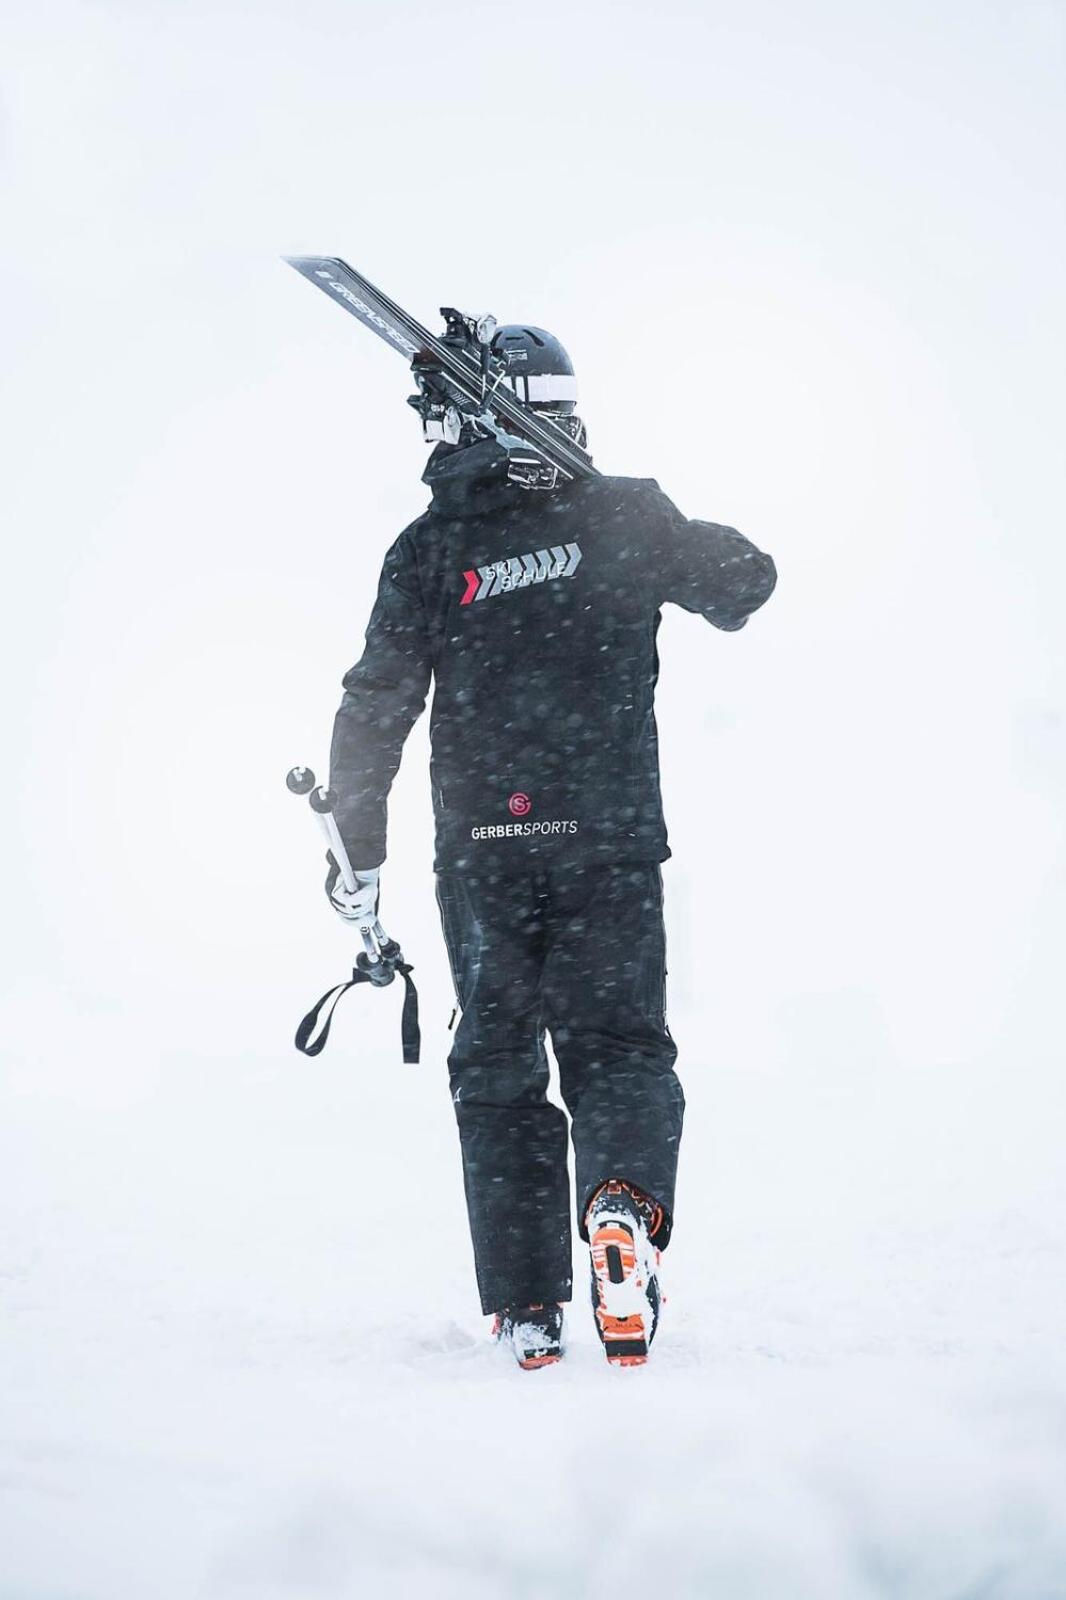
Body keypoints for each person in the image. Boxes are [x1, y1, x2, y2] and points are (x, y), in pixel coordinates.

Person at [325, 324, 776, 1369]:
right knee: (616, 1046)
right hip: (607, 840)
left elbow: (375, 703)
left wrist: (358, 846)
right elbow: (745, 583)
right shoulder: (622, 516)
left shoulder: (429, 550)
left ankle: (527, 1309)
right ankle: (621, 1209)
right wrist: (646, 526)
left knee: (496, 1065)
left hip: (483, 852)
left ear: (474, 417)